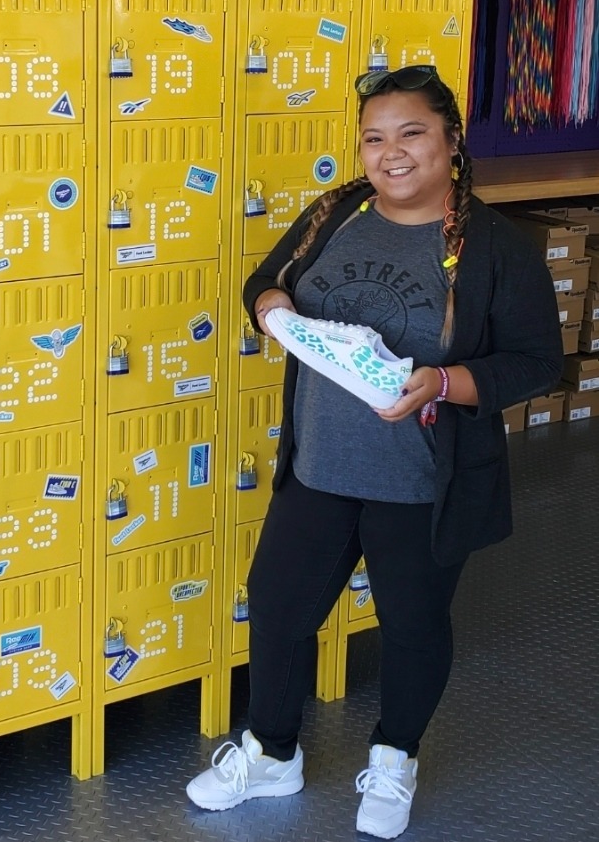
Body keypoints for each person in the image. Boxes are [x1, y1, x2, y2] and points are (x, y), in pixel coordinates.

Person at [186, 65, 563, 839]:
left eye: (411, 133)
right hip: (320, 465)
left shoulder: (495, 247)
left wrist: (443, 383)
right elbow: (265, 279)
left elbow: (536, 362)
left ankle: (395, 755)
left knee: (412, 624)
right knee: (279, 607)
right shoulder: (336, 212)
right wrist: (273, 307)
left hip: (421, 481)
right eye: (374, 138)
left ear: (451, 141)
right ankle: (272, 752)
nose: (391, 153)